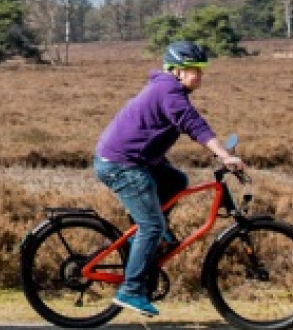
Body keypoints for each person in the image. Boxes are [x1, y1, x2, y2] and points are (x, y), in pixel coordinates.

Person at [93, 40, 244, 317]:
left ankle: (142, 241)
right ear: (176, 71)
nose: (199, 75)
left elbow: (190, 124)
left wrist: (220, 152)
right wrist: (224, 155)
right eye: (193, 70)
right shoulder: (169, 91)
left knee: (176, 181)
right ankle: (131, 290)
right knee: (150, 224)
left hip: (135, 159)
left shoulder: (168, 89)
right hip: (122, 164)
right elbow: (194, 124)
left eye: (200, 70)